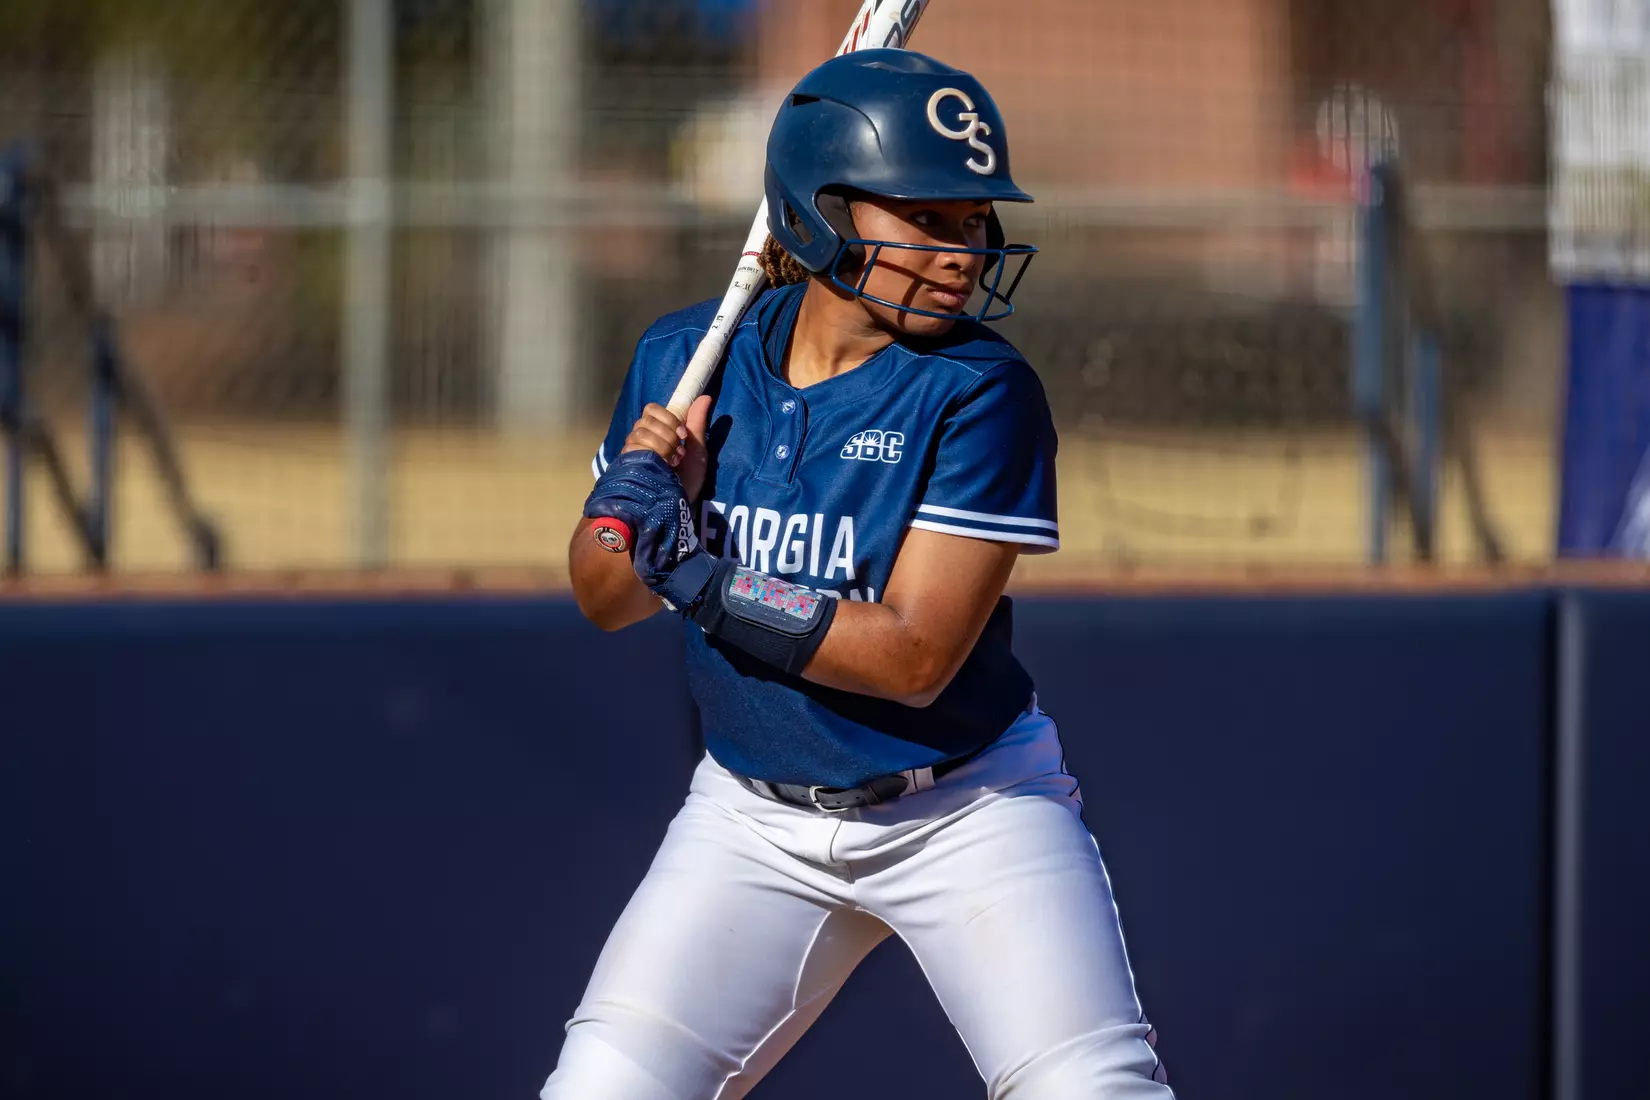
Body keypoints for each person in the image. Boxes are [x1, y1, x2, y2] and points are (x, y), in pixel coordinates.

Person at [549, 48, 1174, 1100]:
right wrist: (634, 513)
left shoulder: (980, 390)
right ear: (816, 211)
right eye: (927, 218)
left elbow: (916, 655)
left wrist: (698, 574)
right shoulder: (686, 359)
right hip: (750, 819)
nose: (962, 252)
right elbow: (601, 596)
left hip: (968, 808)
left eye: (974, 221)